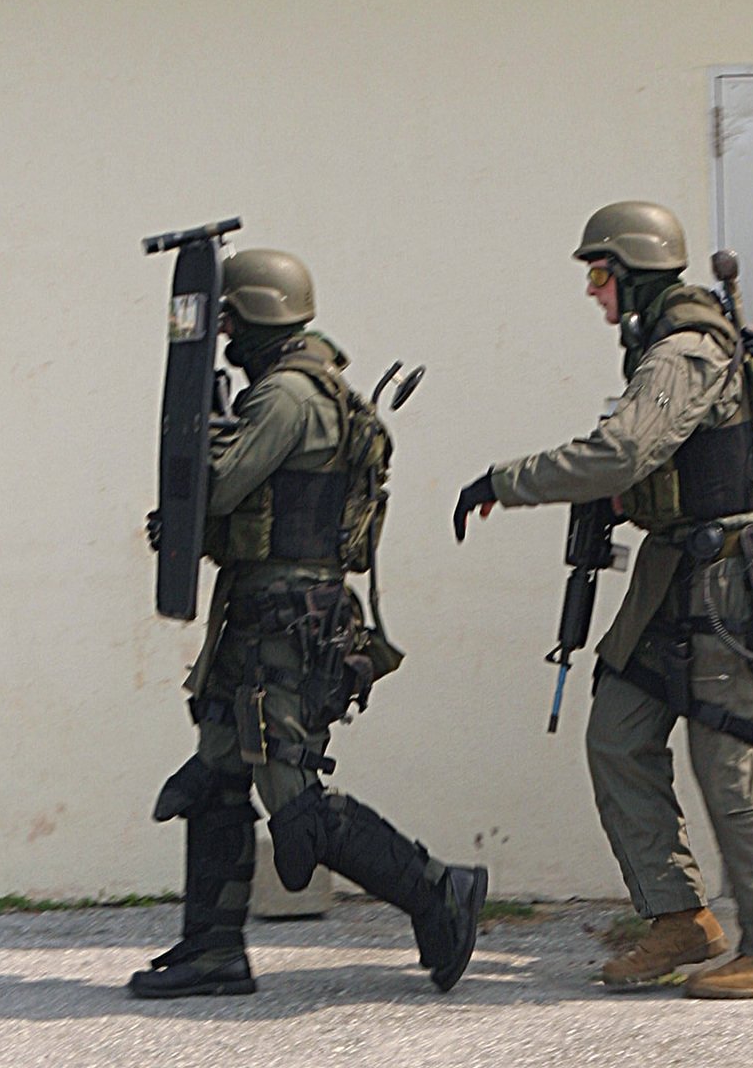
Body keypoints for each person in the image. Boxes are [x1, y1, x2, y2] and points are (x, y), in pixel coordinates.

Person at [453, 201, 753, 999]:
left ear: (633, 273)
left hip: (723, 577)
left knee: (726, 759)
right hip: (673, 572)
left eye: (598, 274)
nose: (592, 292)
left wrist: (504, 481)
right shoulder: (662, 349)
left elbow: (621, 451)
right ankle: (677, 917)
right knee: (619, 732)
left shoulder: (684, 350)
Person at [130, 248, 486, 999]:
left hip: (285, 623)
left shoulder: (287, 396)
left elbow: (219, 487)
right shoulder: (298, 387)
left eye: (229, 318)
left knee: (295, 805)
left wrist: (197, 445)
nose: (222, 332)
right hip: (264, 610)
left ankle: (438, 891)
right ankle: (211, 949)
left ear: (258, 313)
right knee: (218, 777)